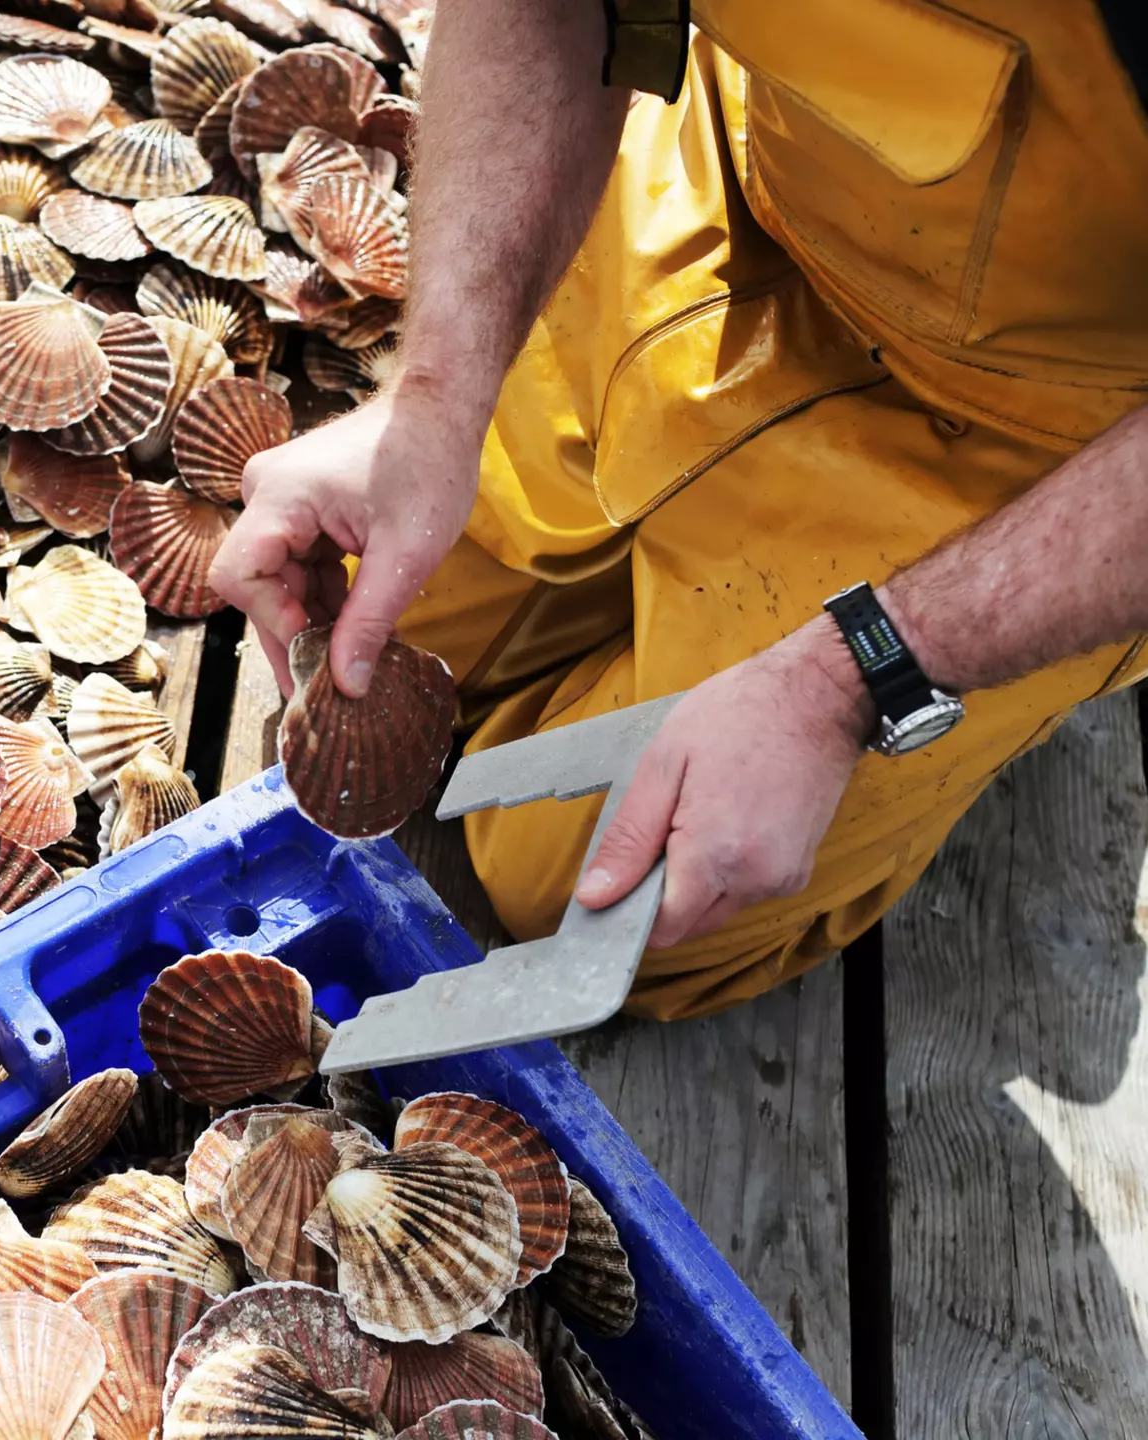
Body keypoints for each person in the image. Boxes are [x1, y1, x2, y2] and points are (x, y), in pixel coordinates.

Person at [209, 0, 1148, 1020]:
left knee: (590, 885)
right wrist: (431, 398)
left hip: (1059, 428)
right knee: (373, 617)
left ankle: (1032, 659)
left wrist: (860, 672)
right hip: (750, 191)